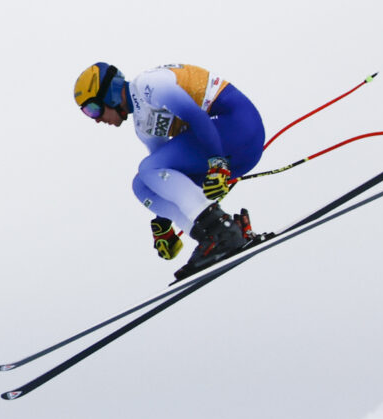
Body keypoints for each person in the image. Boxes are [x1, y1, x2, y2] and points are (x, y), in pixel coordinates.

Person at [73, 62, 266, 279]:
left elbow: (195, 116)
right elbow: (169, 179)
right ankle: (211, 236)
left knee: (147, 168)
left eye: (93, 109)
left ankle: (222, 231)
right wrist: (163, 223)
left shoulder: (148, 85)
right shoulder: (143, 127)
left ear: (110, 95)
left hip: (237, 127)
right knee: (142, 184)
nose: (97, 119)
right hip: (230, 151)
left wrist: (217, 163)